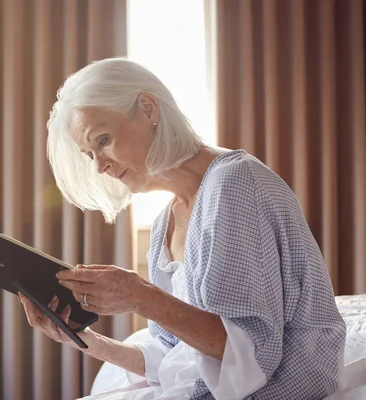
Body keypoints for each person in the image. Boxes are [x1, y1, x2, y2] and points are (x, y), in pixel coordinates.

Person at [18, 58, 346, 399]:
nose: (100, 166)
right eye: (89, 155)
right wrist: (82, 337)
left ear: (147, 109)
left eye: (102, 141)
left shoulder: (234, 183)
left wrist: (141, 296)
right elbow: (174, 354)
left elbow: (249, 357)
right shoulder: (166, 222)